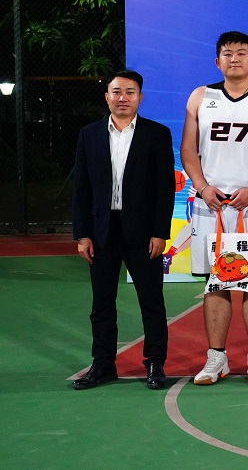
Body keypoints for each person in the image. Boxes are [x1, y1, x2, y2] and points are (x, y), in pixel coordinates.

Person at [180, 31, 248, 385]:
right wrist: (202, 187)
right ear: (218, 61)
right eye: (227, 53)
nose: (235, 58)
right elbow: (188, 149)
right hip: (211, 205)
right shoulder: (201, 96)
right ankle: (217, 357)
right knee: (216, 282)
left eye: (242, 53)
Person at [72, 70, 175, 390]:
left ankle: (155, 363)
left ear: (140, 97)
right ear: (107, 97)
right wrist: (82, 234)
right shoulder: (89, 134)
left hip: (143, 233)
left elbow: (165, 188)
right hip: (101, 232)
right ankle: (103, 364)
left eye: (130, 92)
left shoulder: (156, 134)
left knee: (151, 301)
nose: (123, 98)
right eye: (116, 92)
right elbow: (81, 187)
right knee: (102, 302)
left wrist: (160, 232)